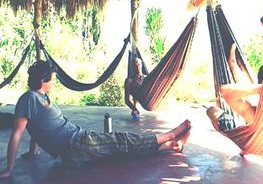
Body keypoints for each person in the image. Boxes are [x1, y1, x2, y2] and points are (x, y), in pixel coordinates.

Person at [0, 60, 191, 179]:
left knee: (117, 150)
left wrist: (33, 151)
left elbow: (35, 126)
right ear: (43, 80)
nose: (54, 82)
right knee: (121, 140)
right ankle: (170, 134)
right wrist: (9, 168)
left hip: (78, 139)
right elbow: (18, 133)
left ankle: (170, 146)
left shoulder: (41, 97)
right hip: (74, 143)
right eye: (53, 79)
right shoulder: (30, 98)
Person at [207, 44, 263, 129]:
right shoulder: (255, 114)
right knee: (211, 110)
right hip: (253, 127)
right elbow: (224, 91)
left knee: (211, 110)